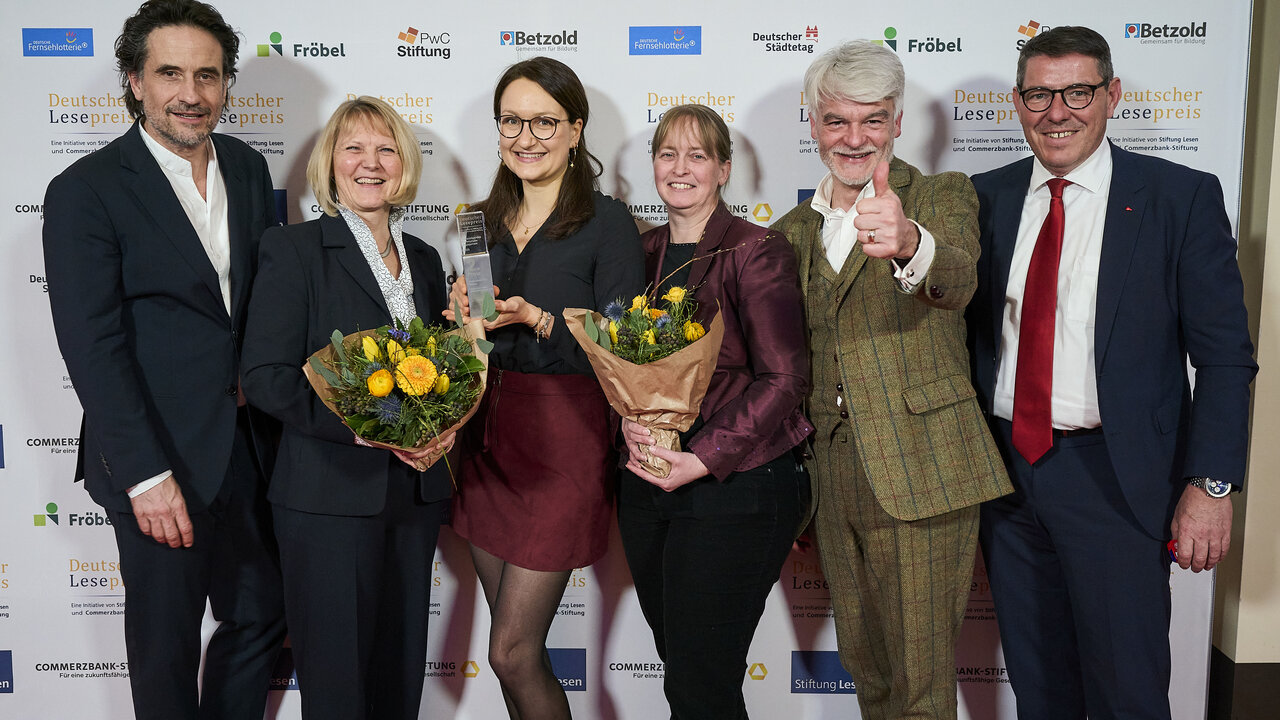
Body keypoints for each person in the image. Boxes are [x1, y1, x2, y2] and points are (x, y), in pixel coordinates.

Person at [967, 25, 1257, 720]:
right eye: (1039, 94)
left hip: (1117, 481)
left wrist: (1210, 485)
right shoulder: (983, 197)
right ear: (1017, 102)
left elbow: (1223, 356)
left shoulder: (1177, 197)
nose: (1057, 111)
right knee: (1040, 689)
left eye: (1077, 91)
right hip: (1005, 480)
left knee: (1127, 691)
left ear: (1111, 95)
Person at [40, 1, 285, 718]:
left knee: (263, 611)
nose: (192, 93)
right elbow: (92, 345)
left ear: (226, 84)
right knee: (166, 641)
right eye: (170, 72)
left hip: (244, 446)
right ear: (135, 81)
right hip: (154, 455)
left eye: (208, 75)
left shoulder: (244, 166)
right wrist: (147, 476)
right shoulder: (86, 190)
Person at [770, 40, 1012, 719]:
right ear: (813, 123)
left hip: (923, 470)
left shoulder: (939, 194)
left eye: (873, 120)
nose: (855, 139)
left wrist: (910, 243)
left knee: (923, 686)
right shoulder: (789, 231)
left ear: (898, 122)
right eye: (837, 121)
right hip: (832, 475)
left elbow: (956, 276)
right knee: (869, 673)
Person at [239, 96, 451, 720]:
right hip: (327, 498)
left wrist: (441, 429)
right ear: (330, 163)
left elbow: (441, 376)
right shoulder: (295, 250)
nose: (371, 163)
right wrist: (361, 429)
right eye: (353, 148)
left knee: (398, 673)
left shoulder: (425, 258)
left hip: (413, 494)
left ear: (405, 163)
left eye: (386, 149)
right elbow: (267, 377)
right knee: (336, 681)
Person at [446, 56, 644, 718]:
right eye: (511, 121)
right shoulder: (477, 223)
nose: (525, 137)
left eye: (543, 122)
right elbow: (470, 339)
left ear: (575, 129)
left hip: (564, 441)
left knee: (510, 650)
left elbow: (625, 352)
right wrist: (459, 324)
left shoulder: (609, 222)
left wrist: (540, 319)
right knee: (511, 656)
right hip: (482, 438)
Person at [617, 104, 812, 719]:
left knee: (702, 684)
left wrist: (701, 457)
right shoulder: (639, 252)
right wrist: (627, 417)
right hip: (650, 481)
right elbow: (619, 361)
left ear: (724, 169)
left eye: (697, 155)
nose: (680, 168)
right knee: (685, 673)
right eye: (667, 153)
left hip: (738, 482)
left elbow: (786, 377)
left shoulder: (756, 249)